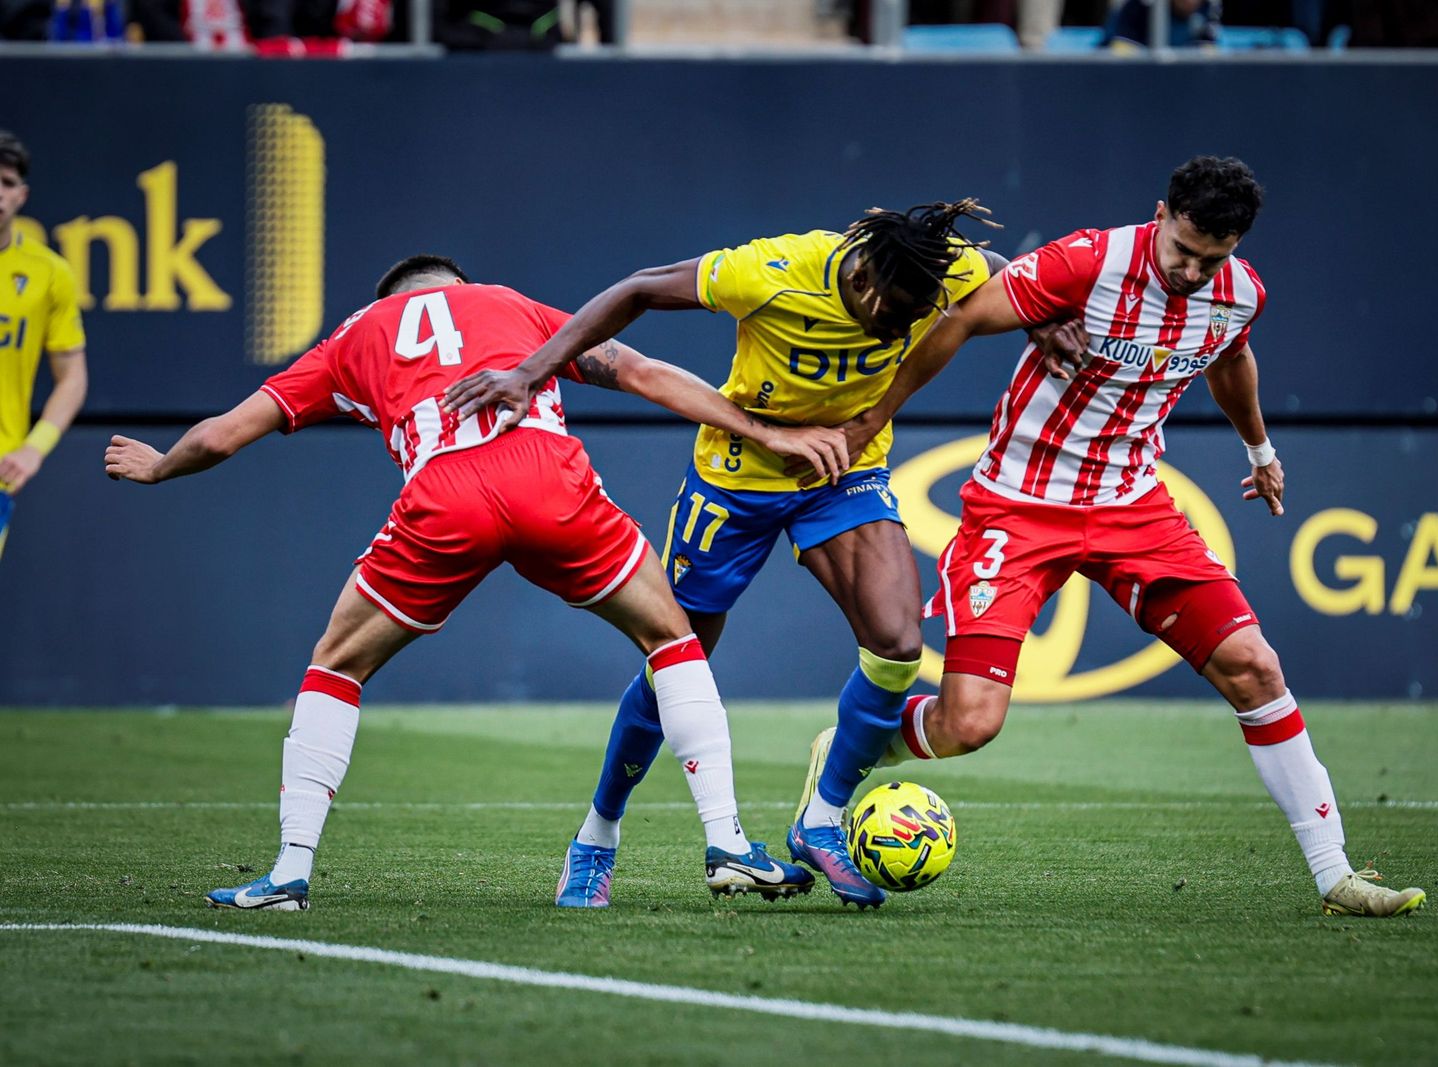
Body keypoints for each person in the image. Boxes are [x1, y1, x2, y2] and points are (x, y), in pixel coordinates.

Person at [103, 255, 851, 910]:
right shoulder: (509, 303)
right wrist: (770, 432)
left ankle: (289, 873)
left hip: (445, 498)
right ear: (458, 286)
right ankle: (726, 843)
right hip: (547, 481)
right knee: (671, 638)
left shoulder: (353, 337)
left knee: (336, 665)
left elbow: (225, 432)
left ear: (388, 298)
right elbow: (645, 373)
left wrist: (161, 463)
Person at [825, 157, 1426, 918]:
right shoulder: (1089, 260)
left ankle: (1335, 873)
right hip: (1018, 505)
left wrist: (1261, 451)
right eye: (1183, 250)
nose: (1194, 270)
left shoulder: (1240, 294)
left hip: (1133, 507)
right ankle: (854, 742)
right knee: (969, 723)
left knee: (1255, 667)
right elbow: (966, 315)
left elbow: (1232, 358)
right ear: (1160, 214)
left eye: (1214, 257)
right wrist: (873, 419)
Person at [444, 202, 1082, 909]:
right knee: (674, 663)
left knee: (898, 644)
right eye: (894, 314)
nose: (901, 330)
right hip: (736, 477)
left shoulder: (933, 271)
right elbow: (638, 288)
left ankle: (821, 819)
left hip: (844, 471)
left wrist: (1041, 315)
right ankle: (598, 835)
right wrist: (531, 372)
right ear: (866, 277)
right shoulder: (773, 271)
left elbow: (993, 269)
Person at [0, 130, 88, 562]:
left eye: (6, 182)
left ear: (22, 194)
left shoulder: (50, 273)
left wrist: (35, 447)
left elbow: (72, 377)